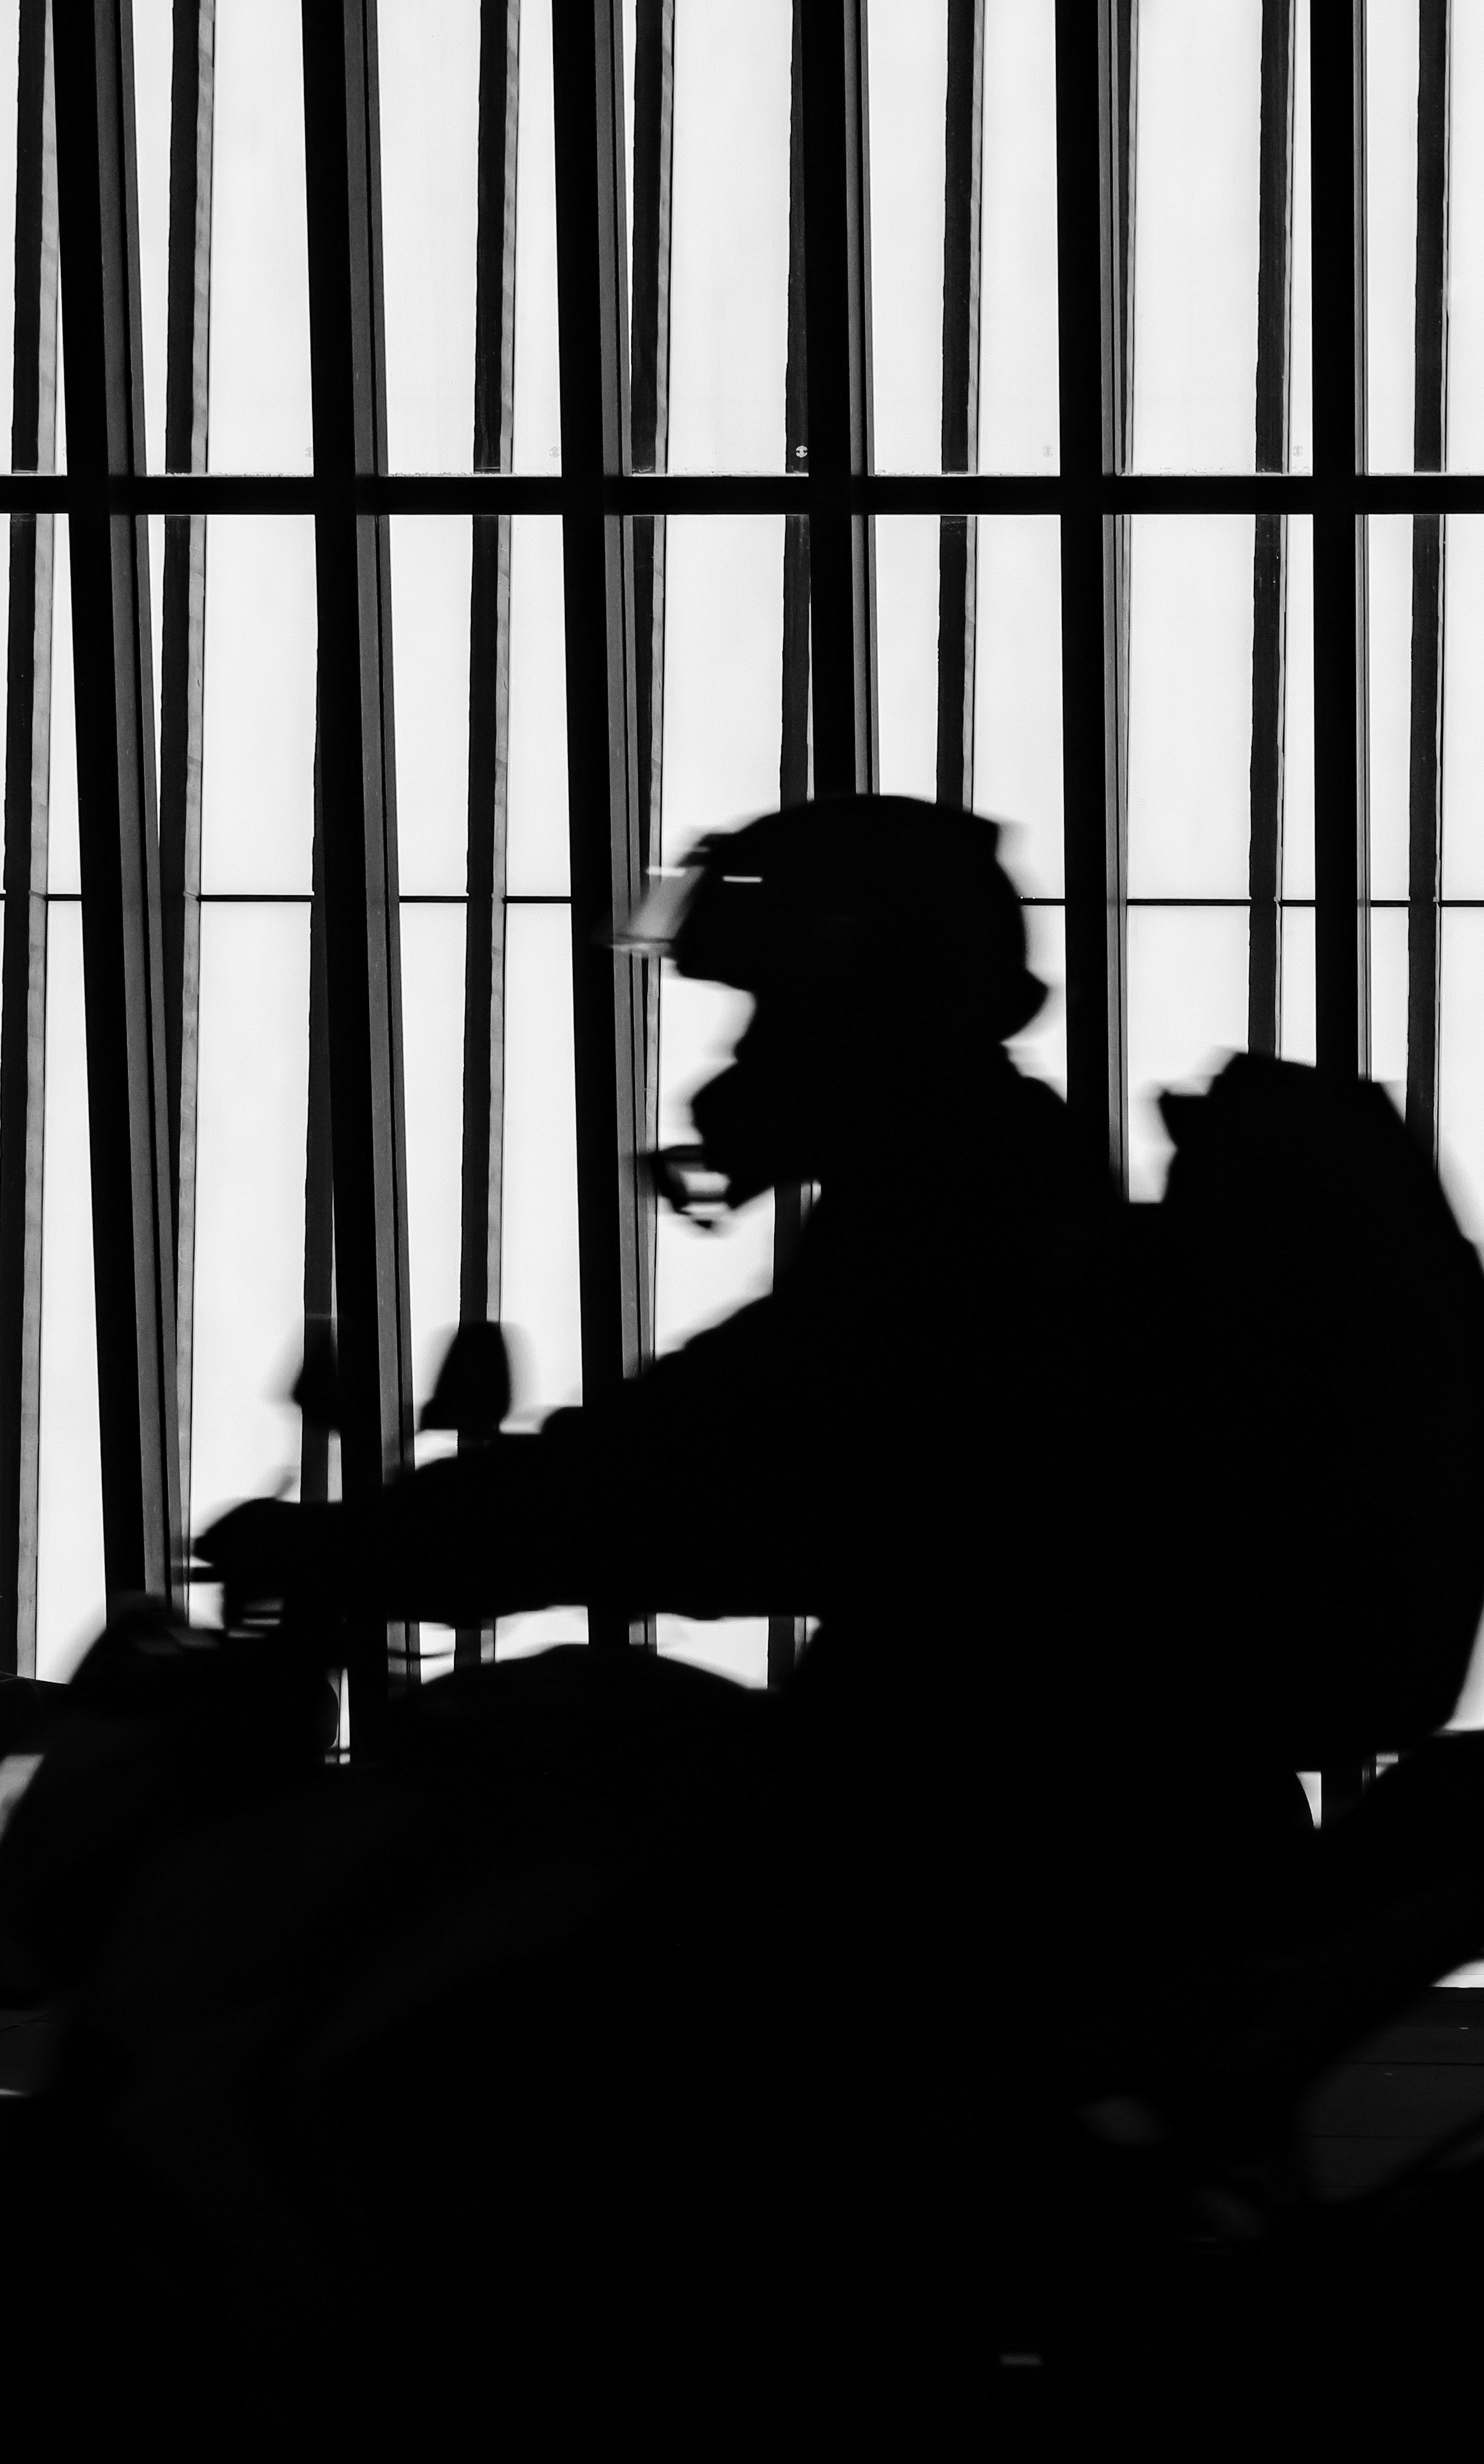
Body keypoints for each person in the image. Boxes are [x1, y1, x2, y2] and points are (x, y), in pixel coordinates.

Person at [193, 794, 1312, 2018]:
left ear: (861, 1003)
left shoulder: (951, 1215)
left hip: (1023, 1822)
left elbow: (692, 1468)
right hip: (1066, 1790)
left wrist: (372, 1546)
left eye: (772, 1006)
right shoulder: (984, 1172)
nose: (740, 1059)